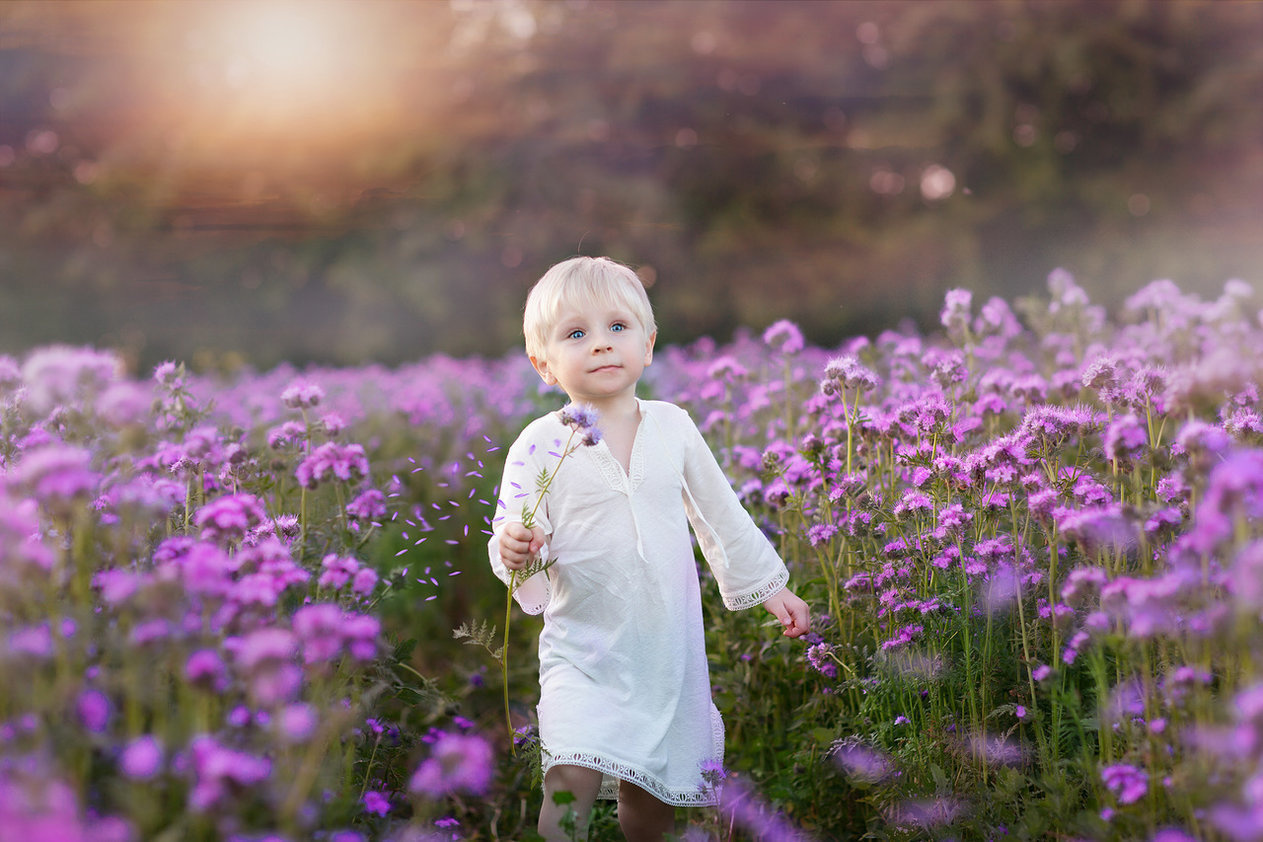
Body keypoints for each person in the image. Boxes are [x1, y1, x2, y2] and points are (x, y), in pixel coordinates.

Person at [489, 256, 810, 841]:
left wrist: (772, 588)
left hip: (662, 650)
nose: (602, 345)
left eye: (618, 328)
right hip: (582, 650)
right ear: (543, 363)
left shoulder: (674, 426)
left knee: (651, 795)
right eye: (576, 334)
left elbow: (720, 514)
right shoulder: (539, 443)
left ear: (649, 343)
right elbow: (514, 530)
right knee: (569, 776)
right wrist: (514, 548)